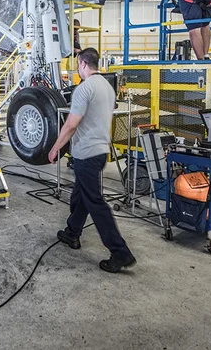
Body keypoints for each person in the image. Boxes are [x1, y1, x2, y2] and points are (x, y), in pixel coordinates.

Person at [49, 48, 136, 273]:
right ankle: (72, 233)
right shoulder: (107, 87)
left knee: (95, 202)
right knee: (81, 196)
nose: (78, 68)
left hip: (86, 153)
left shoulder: (84, 88)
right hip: (99, 152)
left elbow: (71, 124)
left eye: (79, 65)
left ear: (83, 64)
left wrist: (55, 147)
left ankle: (120, 252)